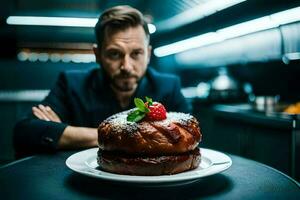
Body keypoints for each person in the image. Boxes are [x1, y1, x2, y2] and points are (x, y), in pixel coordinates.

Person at [13, 5, 191, 157]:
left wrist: (67, 133)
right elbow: (25, 132)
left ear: (148, 54)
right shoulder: (71, 84)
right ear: (98, 55)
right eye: (115, 54)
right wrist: (138, 140)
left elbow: (188, 139)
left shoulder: (168, 86)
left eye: (136, 54)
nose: (126, 66)